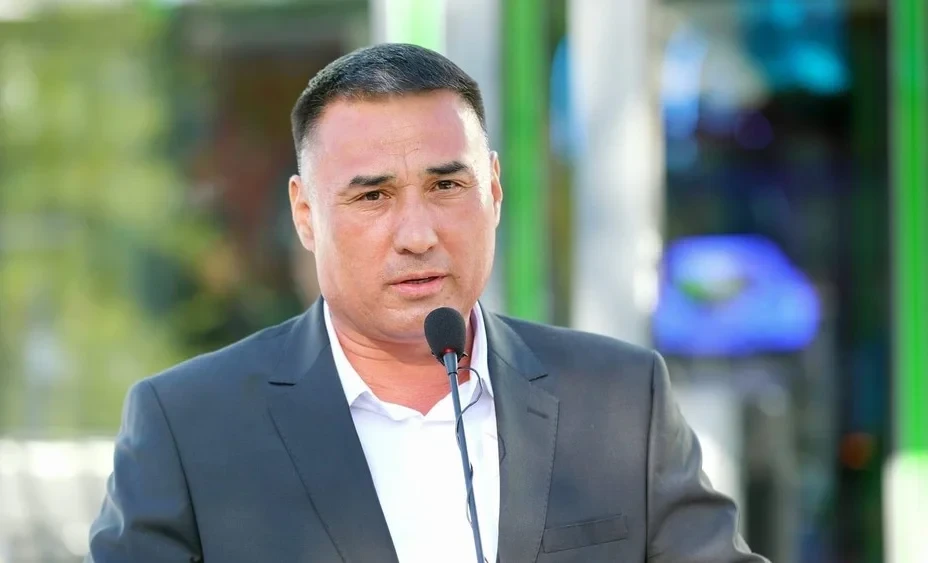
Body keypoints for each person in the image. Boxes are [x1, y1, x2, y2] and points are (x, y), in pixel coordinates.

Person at [86, 43, 767, 563]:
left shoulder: (619, 400)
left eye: (446, 186)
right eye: (373, 195)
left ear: (493, 188)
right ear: (305, 213)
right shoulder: (189, 427)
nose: (417, 235)